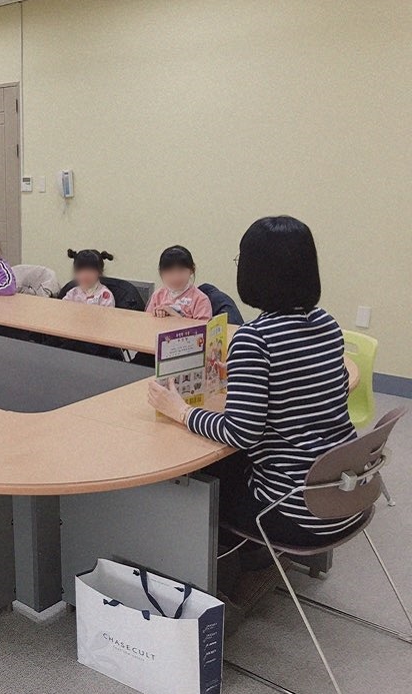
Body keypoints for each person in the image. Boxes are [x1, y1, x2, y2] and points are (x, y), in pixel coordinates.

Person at [148, 216, 359, 558]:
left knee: (197, 476)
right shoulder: (327, 323)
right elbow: (308, 385)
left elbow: (240, 433)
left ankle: (231, 568)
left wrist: (181, 411)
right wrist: (244, 375)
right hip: (344, 494)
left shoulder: (255, 338)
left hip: (297, 511)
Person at [145, 245, 213, 320]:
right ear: (161, 272)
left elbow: (203, 326)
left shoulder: (200, 299)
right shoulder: (158, 295)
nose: (176, 278)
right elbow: (147, 320)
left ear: (192, 270)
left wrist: (173, 313)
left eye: (181, 271)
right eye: (170, 272)